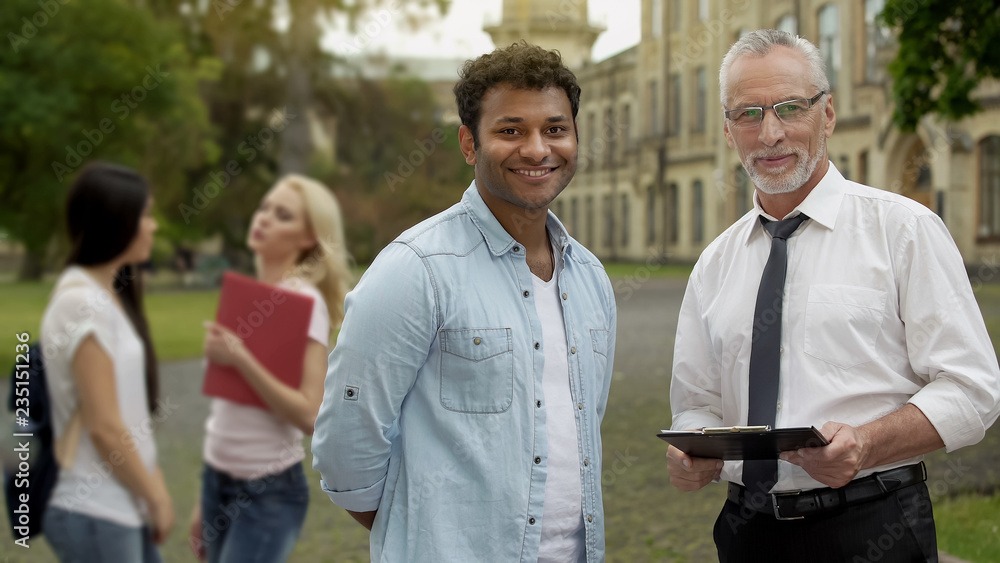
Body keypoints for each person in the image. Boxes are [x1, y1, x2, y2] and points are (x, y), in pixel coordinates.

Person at [665, 29, 1000, 562]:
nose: (770, 133)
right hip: (748, 532)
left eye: (790, 108)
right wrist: (690, 451)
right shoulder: (713, 264)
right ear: (728, 132)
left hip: (875, 523)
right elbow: (696, 403)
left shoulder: (904, 230)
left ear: (829, 115)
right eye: (748, 114)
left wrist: (867, 443)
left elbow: (973, 389)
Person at [311, 41, 617, 562]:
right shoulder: (416, 269)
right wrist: (427, 536)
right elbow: (346, 443)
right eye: (510, 130)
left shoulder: (590, 278)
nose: (538, 149)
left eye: (556, 129)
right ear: (469, 144)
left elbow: (584, 428)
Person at [189, 175, 352, 562]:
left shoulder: (303, 302)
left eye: (282, 215)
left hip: (266, 492)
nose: (263, 218)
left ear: (308, 237)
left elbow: (310, 415)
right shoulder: (249, 296)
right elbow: (229, 408)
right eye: (265, 207)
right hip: (217, 478)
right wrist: (204, 499)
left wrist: (240, 358)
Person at [40, 162, 173, 562]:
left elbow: (128, 415)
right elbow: (104, 426)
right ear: (115, 221)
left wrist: (152, 483)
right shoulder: (81, 302)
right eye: (145, 214)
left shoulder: (108, 292)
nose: (153, 226)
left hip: (122, 503)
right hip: (94, 507)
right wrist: (157, 496)